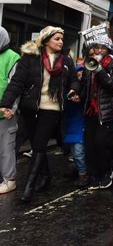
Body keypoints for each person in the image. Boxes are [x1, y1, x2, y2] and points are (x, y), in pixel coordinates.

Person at [0, 26, 79, 203]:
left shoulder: (67, 61)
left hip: (52, 108)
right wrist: (6, 104)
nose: (61, 42)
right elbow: (17, 82)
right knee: (37, 143)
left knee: (40, 144)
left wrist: (74, 90)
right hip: (30, 107)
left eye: (61, 39)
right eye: (57, 38)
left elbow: (74, 81)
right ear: (46, 40)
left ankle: (29, 186)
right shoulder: (30, 58)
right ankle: (46, 177)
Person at [79, 37, 113, 190]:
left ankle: (106, 173)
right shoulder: (88, 63)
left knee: (102, 144)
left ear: (108, 50)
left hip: (106, 111)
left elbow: (112, 85)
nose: (98, 51)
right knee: (90, 144)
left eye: (102, 48)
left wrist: (99, 70)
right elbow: (85, 86)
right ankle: (94, 175)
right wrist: (76, 93)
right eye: (96, 47)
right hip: (91, 110)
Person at [0, 27, 20, 194]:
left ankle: (9, 179)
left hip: (5, 114)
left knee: (6, 148)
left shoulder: (13, 57)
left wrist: (12, 108)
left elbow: (15, 86)